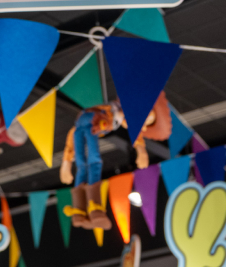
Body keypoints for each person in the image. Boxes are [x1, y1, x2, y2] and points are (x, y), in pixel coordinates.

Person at [60, 92, 171, 230]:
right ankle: (95, 209)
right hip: (94, 120)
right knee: (94, 162)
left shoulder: (118, 114)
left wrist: (66, 162)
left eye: (146, 122)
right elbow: (133, 127)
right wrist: (140, 148)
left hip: (84, 122)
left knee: (82, 165)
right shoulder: (118, 112)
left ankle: (79, 212)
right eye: (144, 119)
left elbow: (75, 132)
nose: (142, 124)